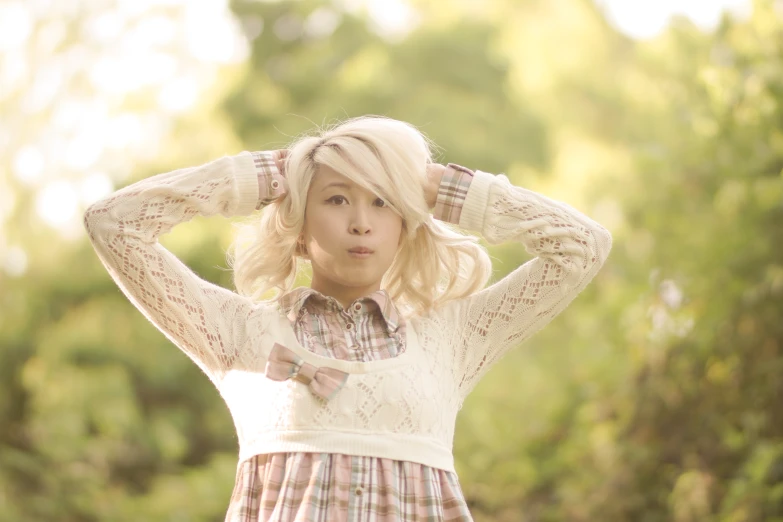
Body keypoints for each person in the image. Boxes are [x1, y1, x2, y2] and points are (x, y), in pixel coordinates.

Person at [84, 115, 612, 521]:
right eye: (338, 199)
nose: (362, 223)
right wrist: (269, 174)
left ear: (404, 226)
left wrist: (440, 187)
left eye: (383, 203)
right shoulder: (236, 330)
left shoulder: (455, 336)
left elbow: (583, 247)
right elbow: (113, 224)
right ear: (299, 225)